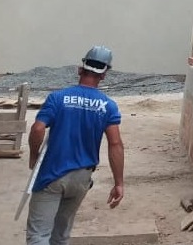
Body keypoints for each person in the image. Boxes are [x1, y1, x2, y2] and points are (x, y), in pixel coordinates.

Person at [26, 46, 124, 245]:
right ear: (104, 75)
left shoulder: (58, 98)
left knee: (39, 235)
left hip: (52, 174)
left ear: (80, 69)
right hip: (82, 178)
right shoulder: (108, 105)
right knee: (60, 235)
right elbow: (115, 144)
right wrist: (118, 183)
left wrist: (33, 155)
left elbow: (37, 129)